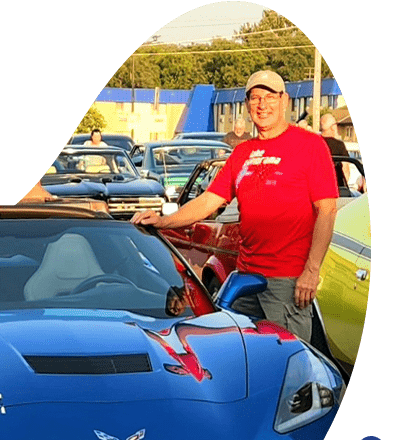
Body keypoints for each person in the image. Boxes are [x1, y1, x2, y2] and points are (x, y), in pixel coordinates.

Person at [131, 70, 338, 342]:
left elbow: (328, 209)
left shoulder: (310, 145)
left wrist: (311, 272)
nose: (262, 105)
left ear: (284, 100)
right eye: (254, 98)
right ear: (248, 105)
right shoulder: (242, 153)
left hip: (287, 281)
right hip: (244, 277)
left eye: (269, 97)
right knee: (241, 355)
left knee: (288, 364)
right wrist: (162, 221)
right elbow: (208, 201)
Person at [320, 113, 350, 184]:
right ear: (332, 127)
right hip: (336, 187)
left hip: (317, 186)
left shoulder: (314, 143)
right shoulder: (339, 145)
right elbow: (345, 169)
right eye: (336, 124)